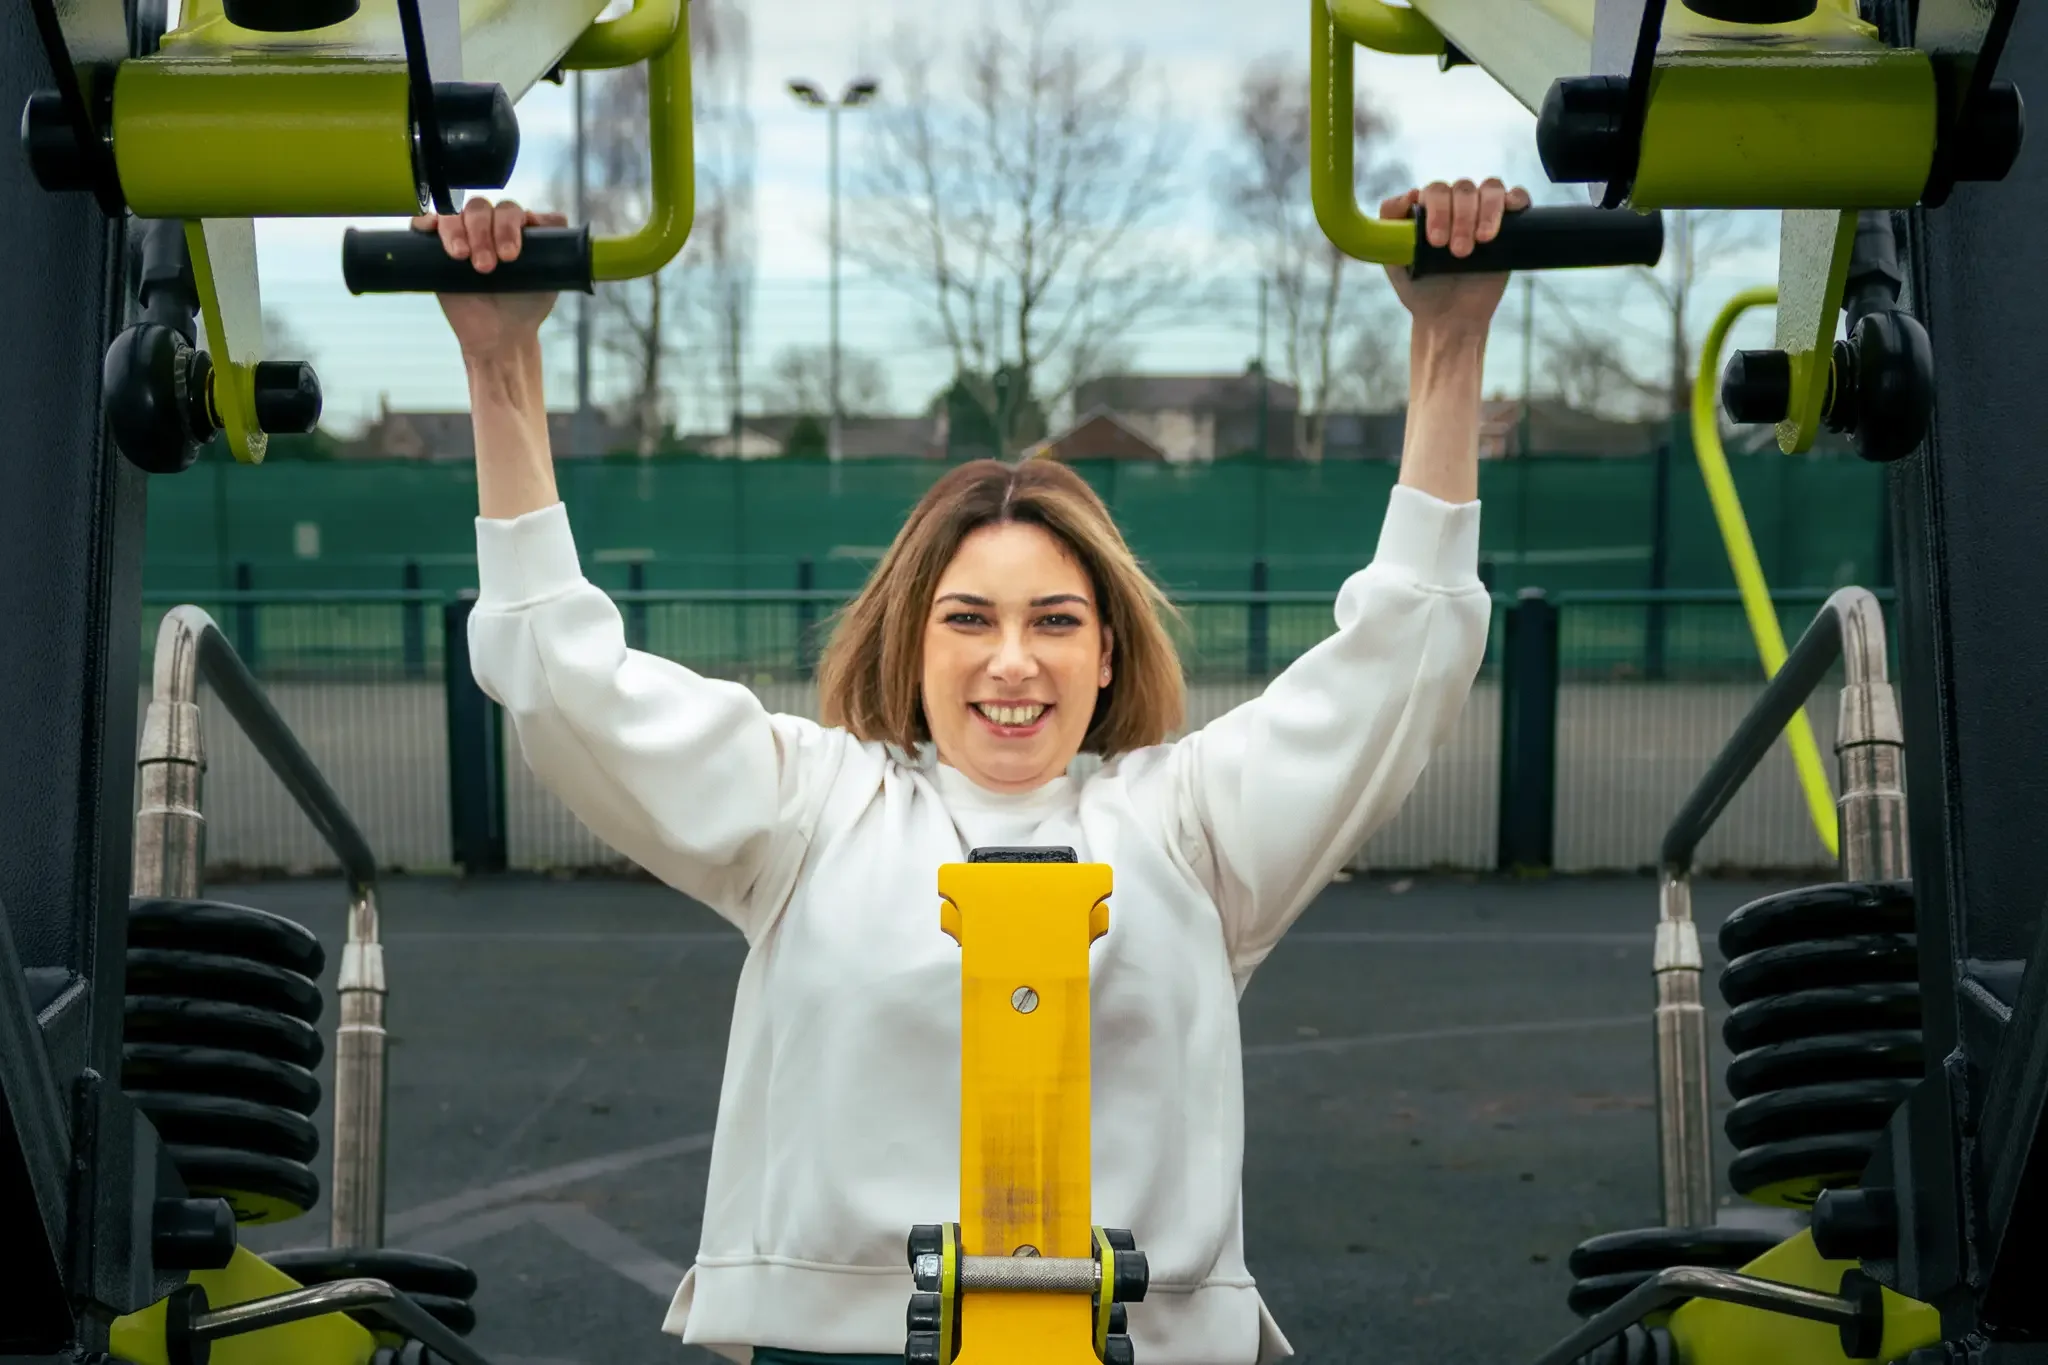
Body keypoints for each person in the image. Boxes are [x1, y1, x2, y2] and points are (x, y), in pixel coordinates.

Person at [431, 176, 1528, 1365]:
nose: (1013, 661)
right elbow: (557, 670)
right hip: (840, 1343)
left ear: (1107, 653)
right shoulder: (811, 807)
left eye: (1055, 620)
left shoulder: (1192, 824)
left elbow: (1405, 652)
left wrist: (1447, 338)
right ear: (912, 641)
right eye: (968, 619)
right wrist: (501, 366)